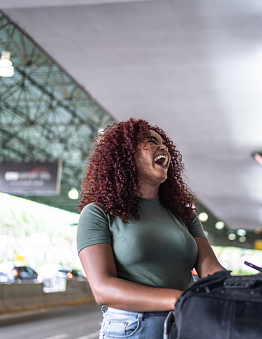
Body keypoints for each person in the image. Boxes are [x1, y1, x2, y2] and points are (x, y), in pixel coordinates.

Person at [76, 118, 225, 339]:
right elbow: (102, 288)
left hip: (185, 324)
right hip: (132, 329)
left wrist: (250, 287)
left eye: (164, 144)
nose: (163, 147)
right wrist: (179, 299)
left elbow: (211, 270)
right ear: (125, 155)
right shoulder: (98, 213)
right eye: (150, 141)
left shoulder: (183, 214)